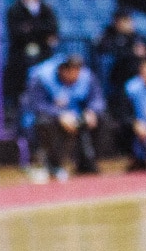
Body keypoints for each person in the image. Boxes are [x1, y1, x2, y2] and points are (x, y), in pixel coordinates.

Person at [23, 52, 106, 181]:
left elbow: (97, 100)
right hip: (51, 118)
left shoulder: (86, 76)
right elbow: (36, 105)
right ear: (62, 70)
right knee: (45, 122)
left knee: (101, 118)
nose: (75, 75)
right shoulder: (42, 77)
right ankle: (52, 164)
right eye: (71, 71)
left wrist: (92, 111)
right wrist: (59, 115)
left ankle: (87, 162)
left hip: (78, 115)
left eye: (77, 71)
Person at [4, 0, 59, 114]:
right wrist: (40, 33)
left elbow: (52, 30)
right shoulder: (14, 9)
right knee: (21, 101)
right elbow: (17, 33)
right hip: (20, 63)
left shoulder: (48, 9)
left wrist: (30, 29)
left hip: (44, 60)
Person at [95, 7, 146, 112]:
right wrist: (131, 53)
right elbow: (107, 52)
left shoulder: (137, 36)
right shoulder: (108, 35)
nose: (129, 23)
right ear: (117, 22)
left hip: (140, 78)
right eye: (125, 20)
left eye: (130, 20)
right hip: (119, 78)